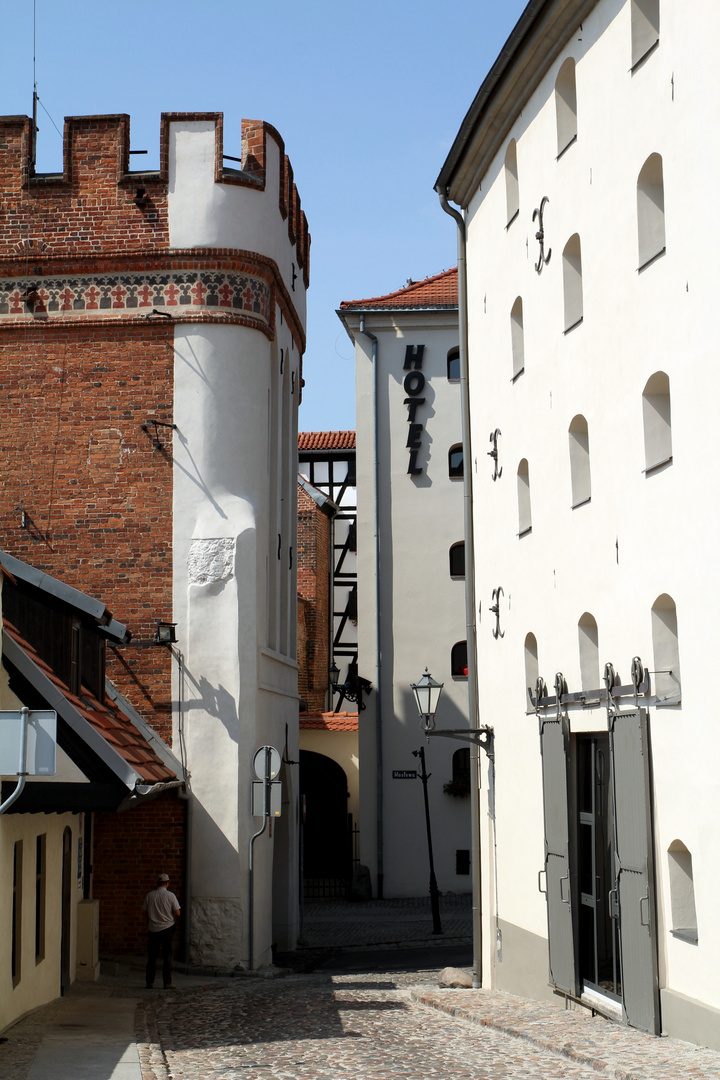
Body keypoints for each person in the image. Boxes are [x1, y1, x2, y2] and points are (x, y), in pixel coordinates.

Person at [143, 873, 180, 989]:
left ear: (157, 883)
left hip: (153, 928)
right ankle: (167, 982)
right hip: (167, 928)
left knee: (152, 957)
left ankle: (150, 982)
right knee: (168, 956)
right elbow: (177, 912)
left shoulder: (150, 895)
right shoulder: (170, 896)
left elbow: (145, 912)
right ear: (167, 883)